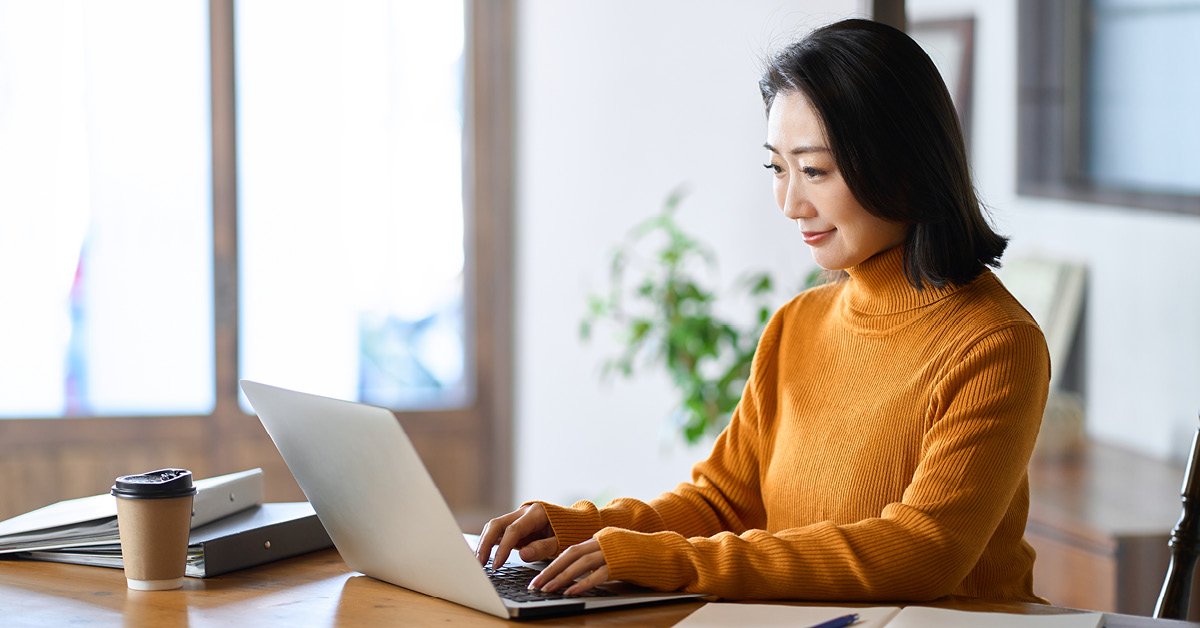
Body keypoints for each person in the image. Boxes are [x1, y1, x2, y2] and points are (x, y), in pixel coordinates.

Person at [476, 18, 1051, 603]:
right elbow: (721, 504)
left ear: (903, 163)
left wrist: (668, 560)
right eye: (778, 168)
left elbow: (923, 551)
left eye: (815, 170)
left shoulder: (996, 343)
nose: (791, 203)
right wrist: (581, 529)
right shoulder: (797, 324)